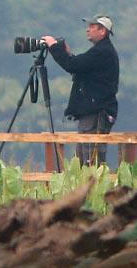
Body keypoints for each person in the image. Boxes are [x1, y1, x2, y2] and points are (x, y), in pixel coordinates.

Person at [42, 15, 119, 166]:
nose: (87, 29)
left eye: (92, 26)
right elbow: (80, 66)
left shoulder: (102, 51)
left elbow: (72, 66)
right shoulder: (101, 51)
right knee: (84, 159)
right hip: (92, 112)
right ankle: (87, 188)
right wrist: (68, 55)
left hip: (96, 113)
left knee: (91, 161)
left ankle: (94, 188)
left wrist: (54, 47)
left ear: (102, 31)